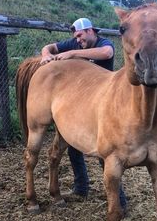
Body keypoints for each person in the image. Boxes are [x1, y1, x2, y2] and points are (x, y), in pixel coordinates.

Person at [40, 18, 127, 209]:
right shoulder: (76, 41)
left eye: (80, 35)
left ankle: (120, 200)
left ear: (90, 31)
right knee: (73, 146)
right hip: (81, 102)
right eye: (76, 38)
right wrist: (46, 55)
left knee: (107, 153)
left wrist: (72, 53)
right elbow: (50, 47)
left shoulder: (103, 43)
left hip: (105, 101)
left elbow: (107, 52)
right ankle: (81, 187)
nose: (78, 40)